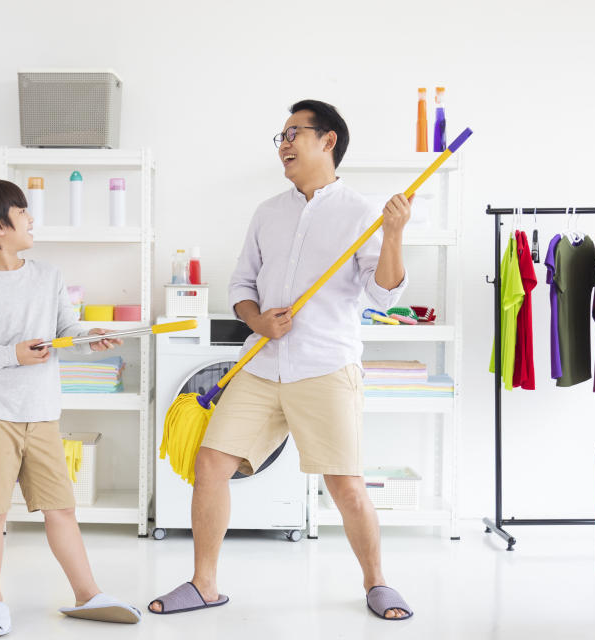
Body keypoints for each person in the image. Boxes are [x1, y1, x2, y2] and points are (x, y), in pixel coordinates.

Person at [149, 100, 414, 620]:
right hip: (263, 363)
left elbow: (383, 295)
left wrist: (394, 234)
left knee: (345, 483)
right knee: (210, 463)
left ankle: (377, 582)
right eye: (282, 135)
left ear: (328, 141)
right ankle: (204, 584)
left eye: (295, 133)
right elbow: (241, 285)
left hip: (325, 366)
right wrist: (257, 322)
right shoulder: (268, 212)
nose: (285, 144)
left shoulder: (363, 214)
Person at [0, 179, 141, 636]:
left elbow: (65, 331)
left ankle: (87, 594)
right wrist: (13, 353)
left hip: (42, 413)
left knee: (61, 508)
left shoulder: (48, 275)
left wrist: (90, 340)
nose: (31, 219)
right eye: (23, 212)